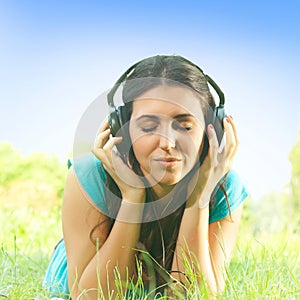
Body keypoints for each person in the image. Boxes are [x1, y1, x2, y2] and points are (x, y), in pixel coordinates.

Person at [43, 54, 249, 299]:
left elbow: (196, 295)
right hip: (88, 267)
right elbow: (90, 295)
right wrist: (132, 195)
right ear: (122, 127)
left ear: (211, 127)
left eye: (185, 126)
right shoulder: (89, 174)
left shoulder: (225, 184)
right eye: (149, 127)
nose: (168, 143)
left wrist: (200, 194)